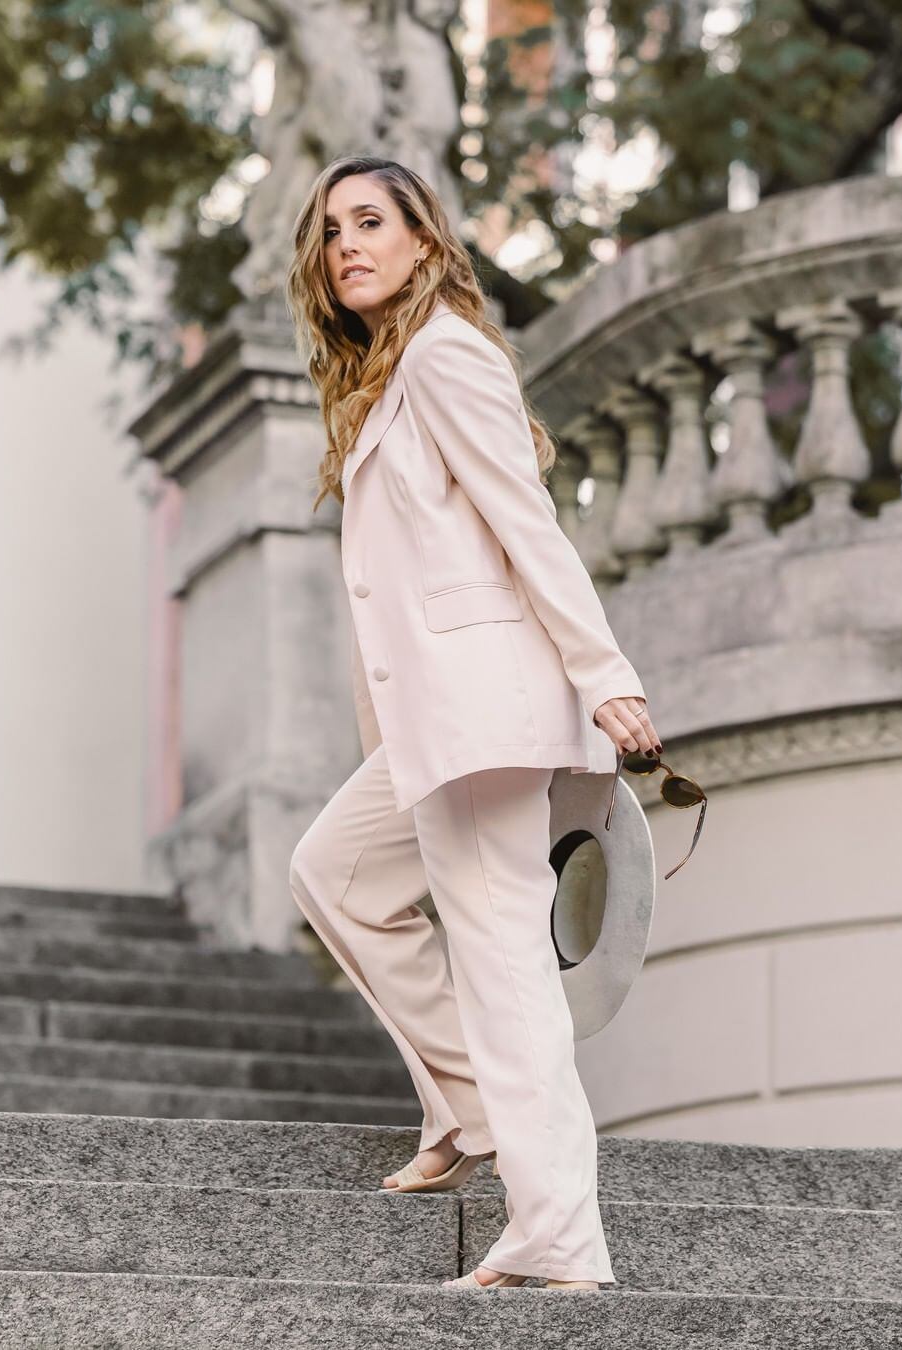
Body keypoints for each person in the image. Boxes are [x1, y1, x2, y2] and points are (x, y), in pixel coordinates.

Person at [284, 154, 663, 1293]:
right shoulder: (389, 377)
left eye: (370, 221)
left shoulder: (446, 354)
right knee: (334, 875)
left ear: (423, 239)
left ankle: (558, 1236)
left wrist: (605, 674)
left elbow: (526, 524)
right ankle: (465, 1101)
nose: (347, 244)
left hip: (488, 708)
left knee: (502, 959)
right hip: (432, 723)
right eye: (330, 230)